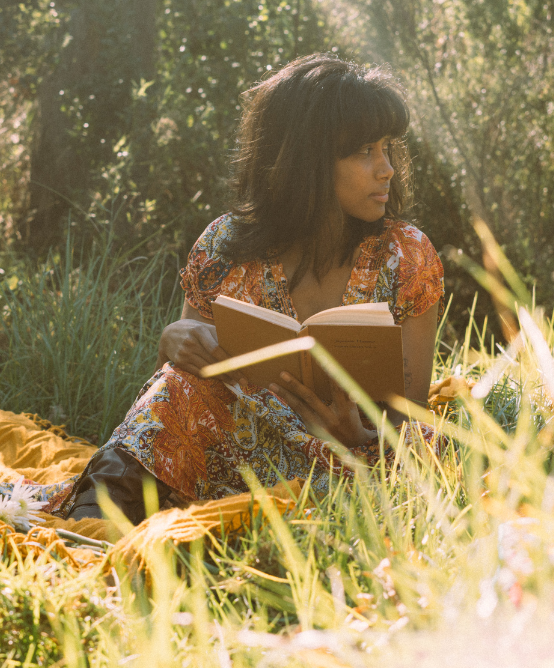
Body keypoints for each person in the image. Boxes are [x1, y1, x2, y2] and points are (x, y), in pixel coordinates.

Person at [55, 55, 444, 523]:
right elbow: (177, 389)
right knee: (179, 384)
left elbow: (411, 419)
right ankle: (96, 515)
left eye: (387, 148)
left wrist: (356, 435)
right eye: (365, 151)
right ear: (309, 162)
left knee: (434, 452)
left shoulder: (407, 256)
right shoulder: (226, 246)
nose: (387, 169)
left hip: (354, 467)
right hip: (240, 453)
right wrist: (173, 338)